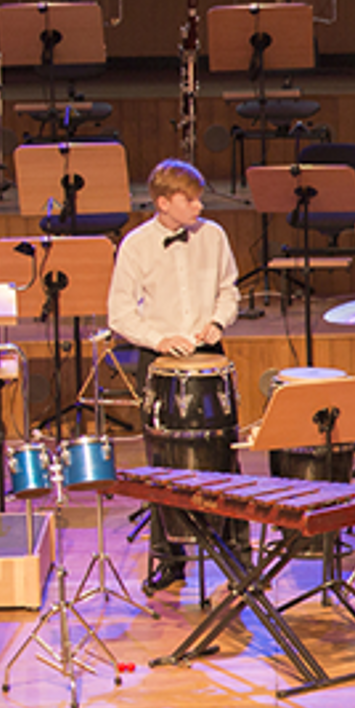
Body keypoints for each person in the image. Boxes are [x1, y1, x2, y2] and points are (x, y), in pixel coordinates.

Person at [107, 158, 242, 592]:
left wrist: (217, 322)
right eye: (191, 200)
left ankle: (237, 556)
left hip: (209, 355)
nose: (200, 206)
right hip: (160, 360)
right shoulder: (136, 245)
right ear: (164, 203)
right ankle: (170, 561)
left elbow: (229, 290)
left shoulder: (214, 236)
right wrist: (159, 339)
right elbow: (119, 313)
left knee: (225, 456)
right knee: (164, 463)